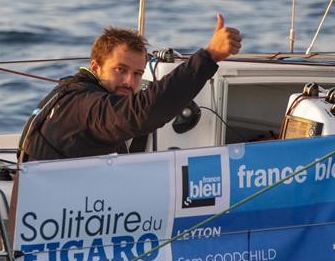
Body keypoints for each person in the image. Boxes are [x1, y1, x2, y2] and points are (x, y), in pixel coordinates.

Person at [19, 14, 242, 161]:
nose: (129, 81)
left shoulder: (79, 93)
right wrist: (209, 56)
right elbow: (140, 114)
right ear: (95, 66)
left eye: (137, 73)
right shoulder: (84, 104)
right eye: (120, 70)